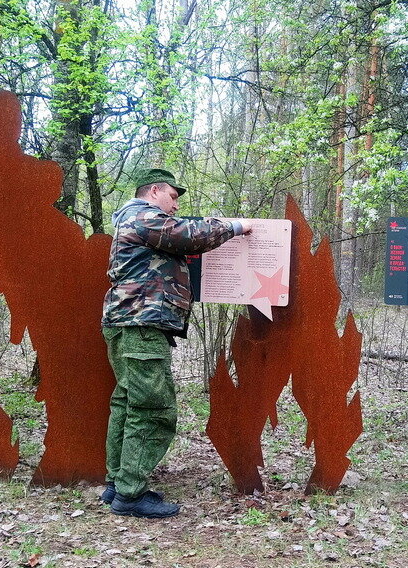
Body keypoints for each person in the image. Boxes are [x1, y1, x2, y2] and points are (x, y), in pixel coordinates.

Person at [100, 168, 251, 518]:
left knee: (127, 403)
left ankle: (118, 484)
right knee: (153, 409)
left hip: (129, 323)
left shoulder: (132, 218)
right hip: (141, 325)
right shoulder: (143, 216)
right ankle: (130, 494)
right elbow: (188, 235)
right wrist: (235, 226)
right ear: (155, 190)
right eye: (173, 196)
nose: (176, 204)